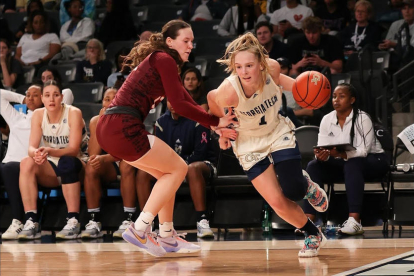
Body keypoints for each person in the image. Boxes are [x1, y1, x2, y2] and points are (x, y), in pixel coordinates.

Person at [95, 20, 235, 257]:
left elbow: (185, 99)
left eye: (192, 41)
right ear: (170, 42)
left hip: (111, 128)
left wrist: (215, 125)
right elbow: (179, 104)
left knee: (165, 175)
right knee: (179, 168)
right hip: (122, 126)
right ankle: (140, 228)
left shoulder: (164, 62)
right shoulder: (164, 59)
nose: (191, 45)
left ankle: (167, 236)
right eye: (186, 40)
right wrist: (214, 122)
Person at [207, 33, 329, 257]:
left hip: (276, 131)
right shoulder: (229, 91)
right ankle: (312, 234)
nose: (244, 71)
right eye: (239, 66)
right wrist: (220, 130)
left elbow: (288, 84)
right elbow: (211, 98)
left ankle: (307, 186)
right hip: (248, 142)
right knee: (277, 202)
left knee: (294, 190)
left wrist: (308, 93)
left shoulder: (272, 69)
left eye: (249, 65)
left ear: (260, 64)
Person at [303, 83, 390, 235]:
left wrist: (340, 155)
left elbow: (363, 151)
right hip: (344, 162)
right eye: (334, 96)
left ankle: (355, 221)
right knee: (313, 166)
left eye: (342, 96)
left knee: (352, 163)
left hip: (374, 161)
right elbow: (322, 146)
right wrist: (322, 155)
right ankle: (308, 220)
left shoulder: (363, 118)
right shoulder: (326, 119)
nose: (336, 100)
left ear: (352, 100)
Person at [0, 84, 74, 240]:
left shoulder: (49, 116)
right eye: (28, 95)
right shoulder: (16, 117)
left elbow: (67, 93)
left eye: (35, 95)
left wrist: (45, 98)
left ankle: (20, 221)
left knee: (11, 168)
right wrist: (23, 98)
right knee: (7, 167)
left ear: (42, 98)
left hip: (35, 165)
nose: (30, 98)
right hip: (12, 163)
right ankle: (22, 218)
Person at [17, 80, 85, 240]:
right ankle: (31, 221)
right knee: (26, 162)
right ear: (42, 98)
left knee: (66, 161)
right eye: (47, 95)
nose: (51, 99)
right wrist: (37, 154)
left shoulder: (73, 112)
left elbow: (74, 150)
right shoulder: (38, 114)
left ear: (62, 97)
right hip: (51, 165)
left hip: (76, 164)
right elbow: (31, 148)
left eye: (55, 95)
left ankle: (73, 220)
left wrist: (48, 150)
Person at [80, 88, 137, 239]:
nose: (110, 102)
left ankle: (129, 218)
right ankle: (94, 220)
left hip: (129, 160)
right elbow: (93, 154)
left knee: (126, 164)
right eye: (107, 99)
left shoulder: (129, 119)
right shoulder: (95, 121)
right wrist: (101, 125)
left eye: (114, 98)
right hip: (109, 164)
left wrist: (105, 159)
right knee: (91, 166)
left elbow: (127, 152)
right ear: (102, 103)